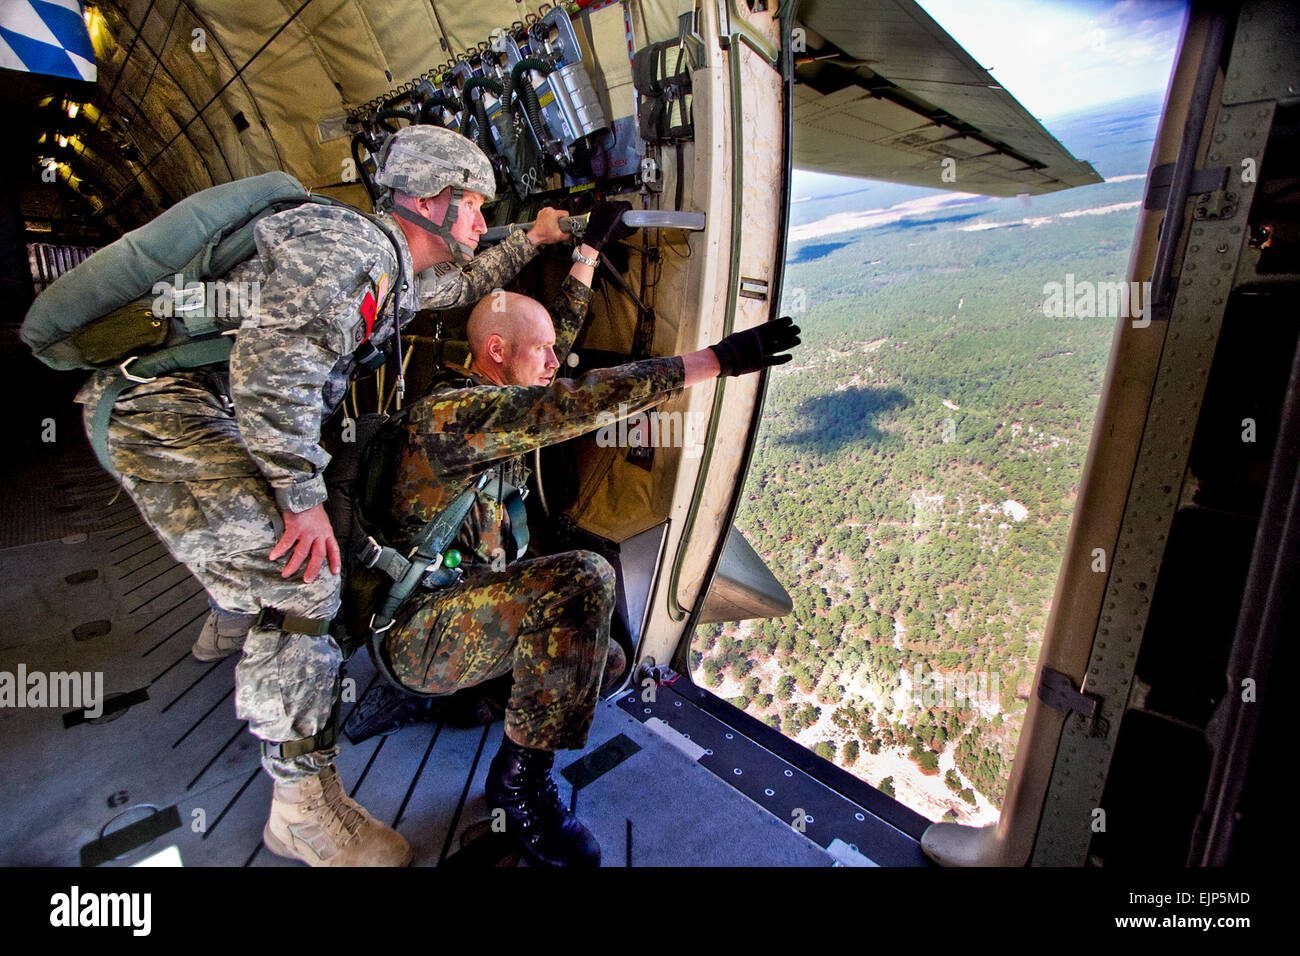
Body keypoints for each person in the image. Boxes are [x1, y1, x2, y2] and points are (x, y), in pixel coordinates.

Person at [75, 124, 573, 866]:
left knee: (271, 543)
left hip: (203, 407)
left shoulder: (398, 268)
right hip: (159, 407)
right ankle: (302, 809)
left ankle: (231, 609)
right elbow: (275, 373)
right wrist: (301, 499)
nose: (478, 222)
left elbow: (466, 282)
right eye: (473, 205)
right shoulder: (351, 249)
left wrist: (531, 238)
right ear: (434, 200)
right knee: (303, 575)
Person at [379, 200, 802, 866]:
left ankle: (482, 699)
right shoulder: (455, 415)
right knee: (585, 579)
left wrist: (588, 253)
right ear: (497, 353)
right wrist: (714, 360)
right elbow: (575, 398)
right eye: (541, 352)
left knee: (599, 662)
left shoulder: (500, 396)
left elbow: (557, 348)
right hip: (419, 631)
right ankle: (520, 791)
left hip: (465, 604)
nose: (556, 361)